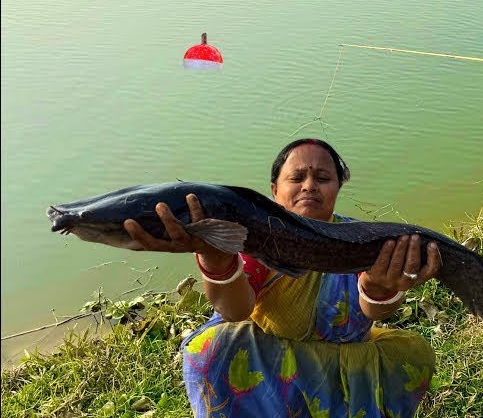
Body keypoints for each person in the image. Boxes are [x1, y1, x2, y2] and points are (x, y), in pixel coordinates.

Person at [120, 138, 440, 417]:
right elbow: (234, 312)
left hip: (347, 360)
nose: (309, 185)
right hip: (274, 363)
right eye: (297, 177)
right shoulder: (258, 239)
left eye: (323, 177)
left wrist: (380, 287)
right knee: (213, 347)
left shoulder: (362, 238)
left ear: (338, 187)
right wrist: (215, 258)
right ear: (274, 191)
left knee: (413, 353)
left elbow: (376, 312)